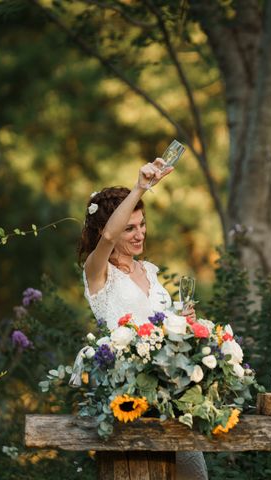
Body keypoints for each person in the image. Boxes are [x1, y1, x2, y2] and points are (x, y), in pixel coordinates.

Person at [77, 158, 208, 480]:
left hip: (168, 391)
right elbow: (107, 239)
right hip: (126, 394)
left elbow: (162, 326)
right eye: (129, 228)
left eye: (142, 225)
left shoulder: (149, 271)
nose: (139, 235)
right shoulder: (98, 272)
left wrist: (184, 322)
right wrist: (140, 187)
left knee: (192, 473)